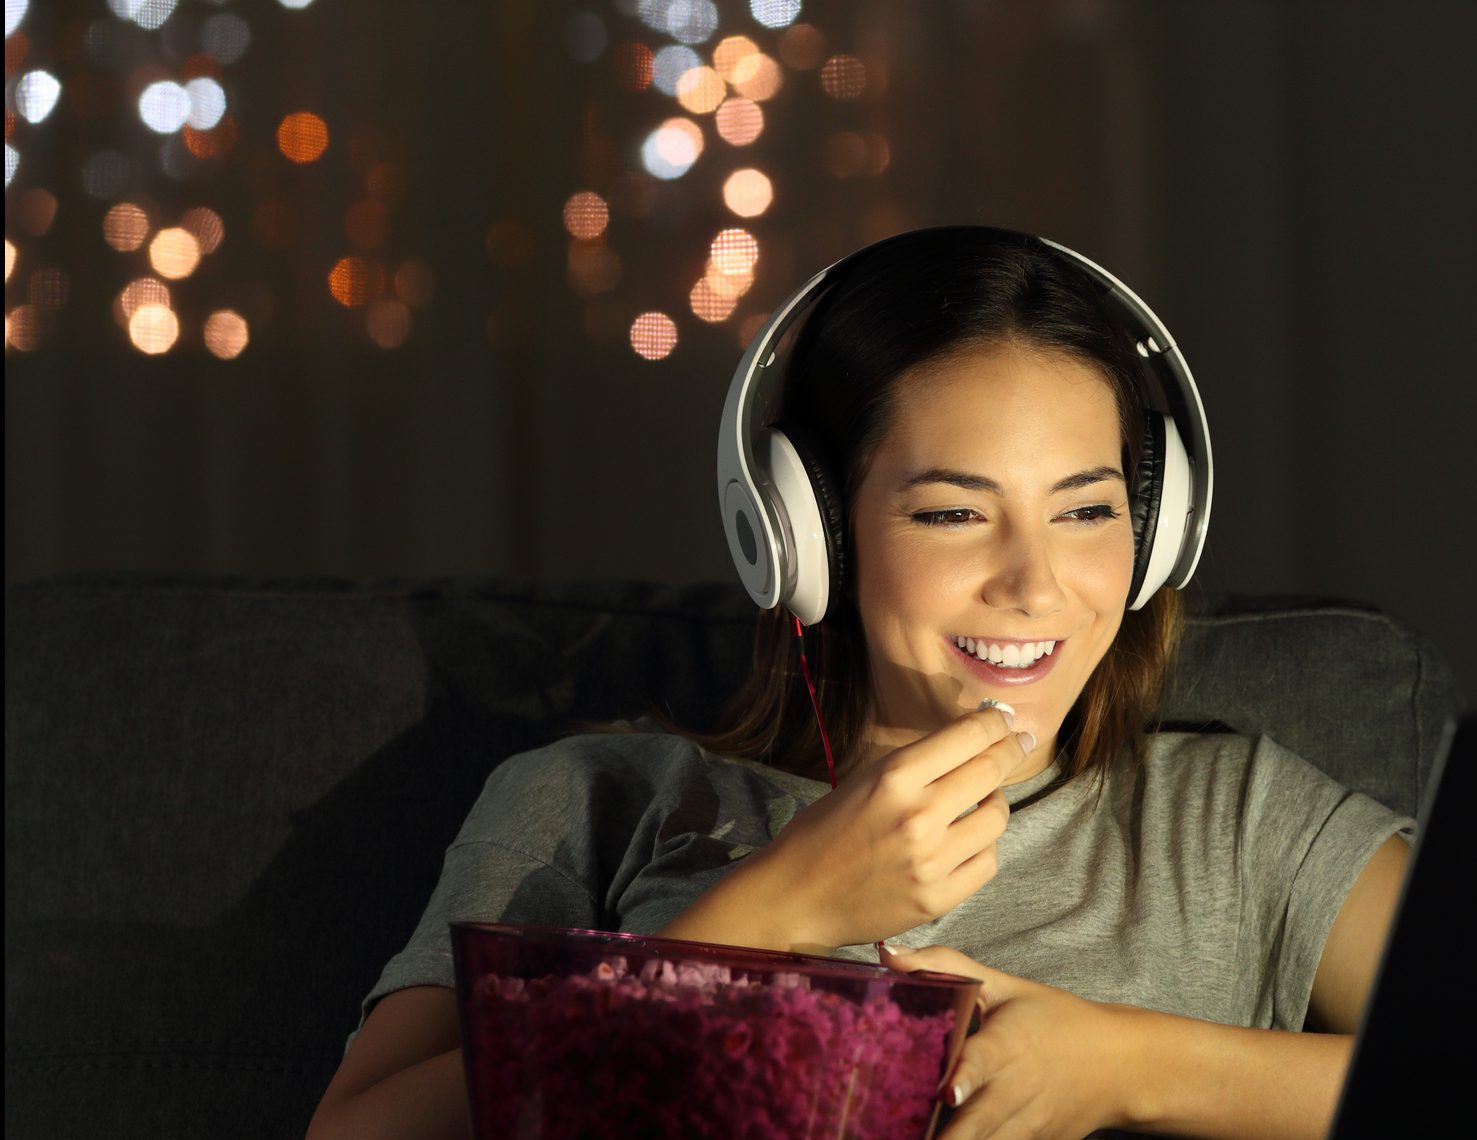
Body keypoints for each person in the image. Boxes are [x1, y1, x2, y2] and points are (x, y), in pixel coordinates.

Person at [306, 227, 1412, 1140]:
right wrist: (772, 915)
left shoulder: (1240, 822)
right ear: (807, 537)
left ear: (1157, 528)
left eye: (1085, 511)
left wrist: (1128, 1064)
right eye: (952, 514)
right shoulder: (594, 803)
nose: (1035, 587)